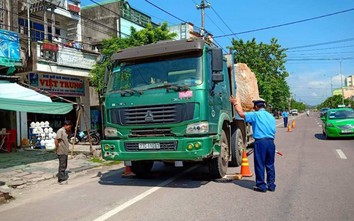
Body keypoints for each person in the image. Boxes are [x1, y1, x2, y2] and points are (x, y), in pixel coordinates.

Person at [230, 96, 276, 192]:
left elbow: (241, 114)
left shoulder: (256, 115)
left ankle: (261, 186)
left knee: (260, 164)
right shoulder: (271, 116)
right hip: (271, 142)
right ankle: (271, 185)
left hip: (260, 142)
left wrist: (235, 103)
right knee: (270, 164)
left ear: (256, 107)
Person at [55, 120, 73, 185]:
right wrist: (57, 148)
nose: (69, 128)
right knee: (62, 165)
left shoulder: (65, 131)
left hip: (65, 151)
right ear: (65, 125)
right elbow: (56, 140)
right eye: (69, 127)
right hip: (61, 150)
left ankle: (63, 176)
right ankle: (61, 179)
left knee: (64, 165)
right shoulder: (60, 131)